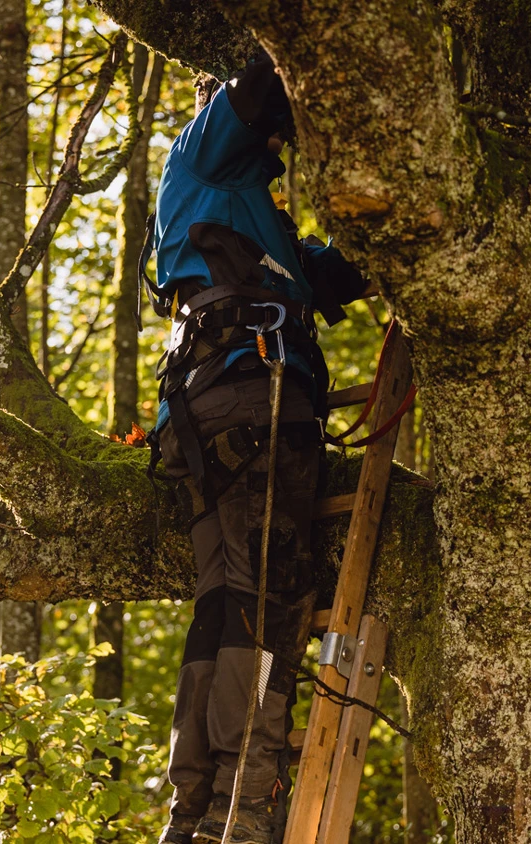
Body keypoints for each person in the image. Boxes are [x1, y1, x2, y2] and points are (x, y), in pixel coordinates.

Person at [146, 53, 372, 844]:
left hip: (219, 400)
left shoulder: (253, 216)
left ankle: (196, 808)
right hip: (252, 394)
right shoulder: (202, 151)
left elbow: (333, 272)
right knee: (267, 595)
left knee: (224, 602)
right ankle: (240, 811)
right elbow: (259, 82)